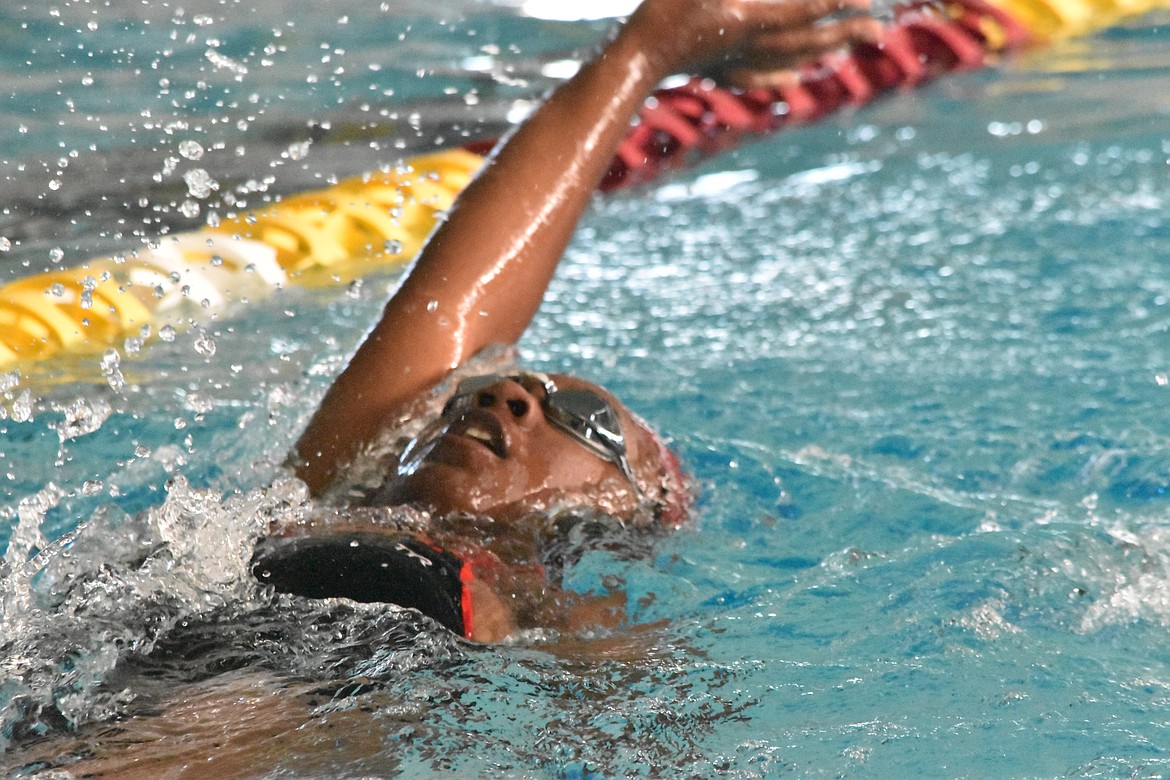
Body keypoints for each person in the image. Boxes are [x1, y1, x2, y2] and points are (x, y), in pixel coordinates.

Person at [252, 0, 882, 643]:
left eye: (584, 418)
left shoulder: (548, 625)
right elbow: (455, 302)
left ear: (625, 514)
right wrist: (646, 48)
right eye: (477, 392)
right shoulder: (316, 497)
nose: (505, 394)